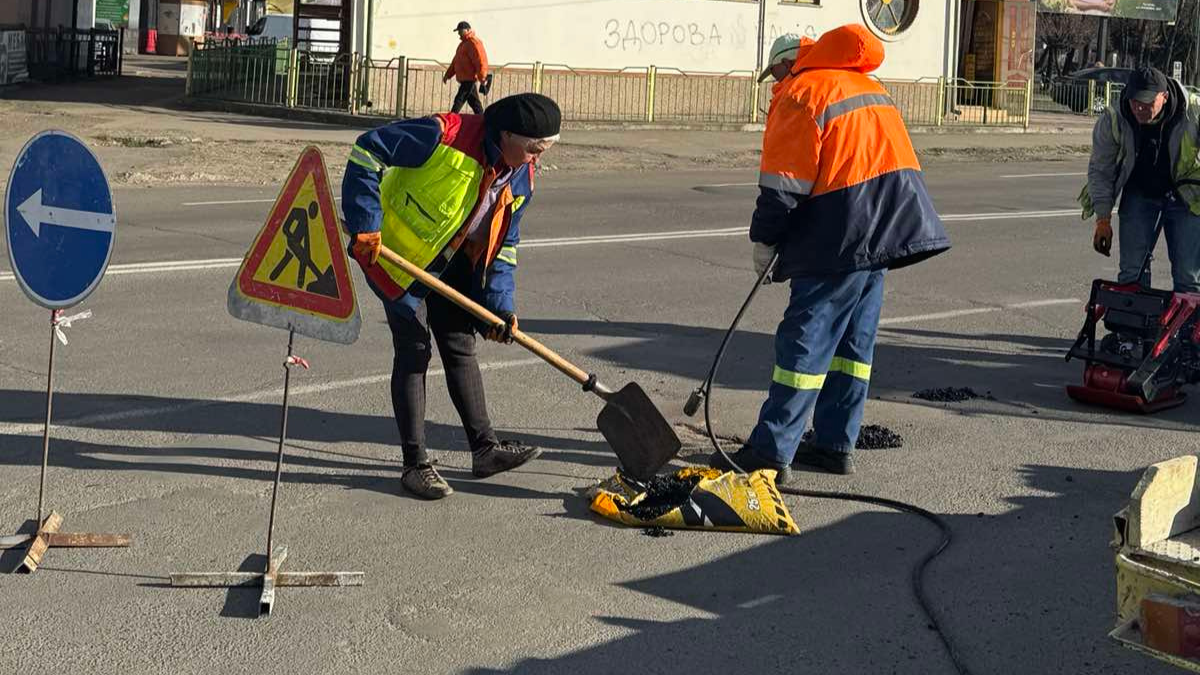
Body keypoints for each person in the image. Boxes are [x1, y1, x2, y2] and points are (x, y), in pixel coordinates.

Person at [710, 24, 950, 480]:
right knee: (852, 346)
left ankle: (770, 452)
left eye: (776, 76)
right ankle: (835, 444)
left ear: (786, 64)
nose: (776, 87)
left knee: (807, 339)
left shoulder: (802, 92)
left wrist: (764, 239)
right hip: (888, 228)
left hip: (841, 231)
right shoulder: (866, 84)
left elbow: (784, 185)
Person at [341, 93, 562, 499]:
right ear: (508, 133)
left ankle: (484, 450)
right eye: (533, 149)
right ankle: (414, 465)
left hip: (453, 260)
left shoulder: (522, 177)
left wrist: (500, 307)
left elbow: (504, 246)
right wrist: (365, 222)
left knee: (460, 345)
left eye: (544, 151)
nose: (536, 159)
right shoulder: (444, 135)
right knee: (415, 349)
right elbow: (366, 152)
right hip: (395, 256)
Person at [1084, 66, 1200, 293]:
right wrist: (1103, 219)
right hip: (1140, 194)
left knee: (1188, 275)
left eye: (1147, 102)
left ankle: (1185, 327)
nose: (1138, 107)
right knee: (1132, 272)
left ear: (1164, 97)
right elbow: (1101, 170)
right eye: (1134, 100)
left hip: (1185, 196)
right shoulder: (1114, 118)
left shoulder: (1193, 112)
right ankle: (1133, 328)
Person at [443, 21, 489, 114]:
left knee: (459, 101)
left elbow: (481, 61)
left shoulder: (474, 43)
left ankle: (451, 119)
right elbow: (455, 62)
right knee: (475, 103)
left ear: (468, 30)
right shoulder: (462, 45)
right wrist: (448, 75)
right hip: (465, 79)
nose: (459, 33)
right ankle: (482, 121)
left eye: (460, 30)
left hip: (469, 79)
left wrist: (483, 78)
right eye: (458, 30)